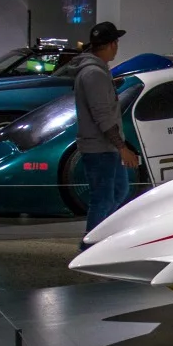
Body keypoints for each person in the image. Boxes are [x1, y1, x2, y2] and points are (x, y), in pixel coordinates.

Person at [61, 21, 138, 240]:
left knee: (117, 192)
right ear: (112, 44)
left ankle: (104, 237)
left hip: (105, 147)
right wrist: (122, 147)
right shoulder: (94, 74)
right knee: (103, 198)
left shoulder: (96, 72)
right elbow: (102, 116)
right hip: (100, 148)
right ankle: (91, 243)